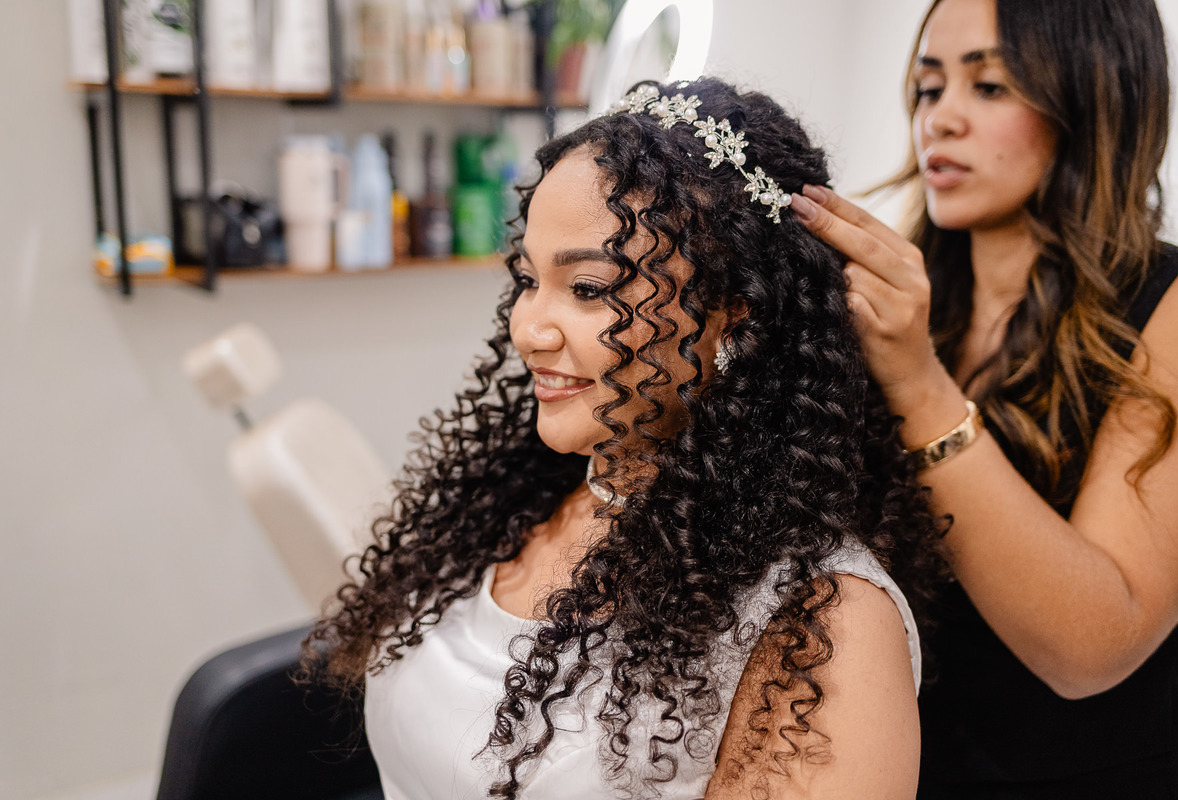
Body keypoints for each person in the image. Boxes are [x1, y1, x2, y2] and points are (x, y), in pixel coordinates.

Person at [304, 77, 943, 800]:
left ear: (736, 314)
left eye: (588, 289)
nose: (528, 328)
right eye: (526, 280)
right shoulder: (519, 499)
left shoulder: (823, 631)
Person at [790, 0, 1178, 795]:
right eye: (928, 88)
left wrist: (918, 384)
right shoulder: (909, 303)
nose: (939, 120)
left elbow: (1093, 648)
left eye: (989, 87)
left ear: (1091, 97)